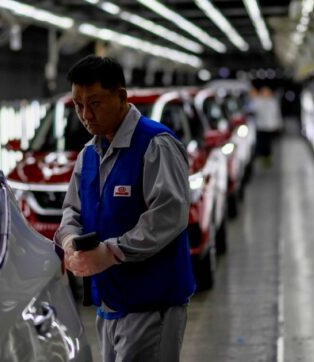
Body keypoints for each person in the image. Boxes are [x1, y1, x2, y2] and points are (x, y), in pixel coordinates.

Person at [54, 55, 196, 361]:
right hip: (110, 302)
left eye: (94, 103)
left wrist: (113, 251)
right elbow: (72, 211)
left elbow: (169, 215)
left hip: (151, 303)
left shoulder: (155, 144)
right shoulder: (89, 154)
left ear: (121, 97)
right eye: (78, 105)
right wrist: (68, 241)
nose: (85, 115)